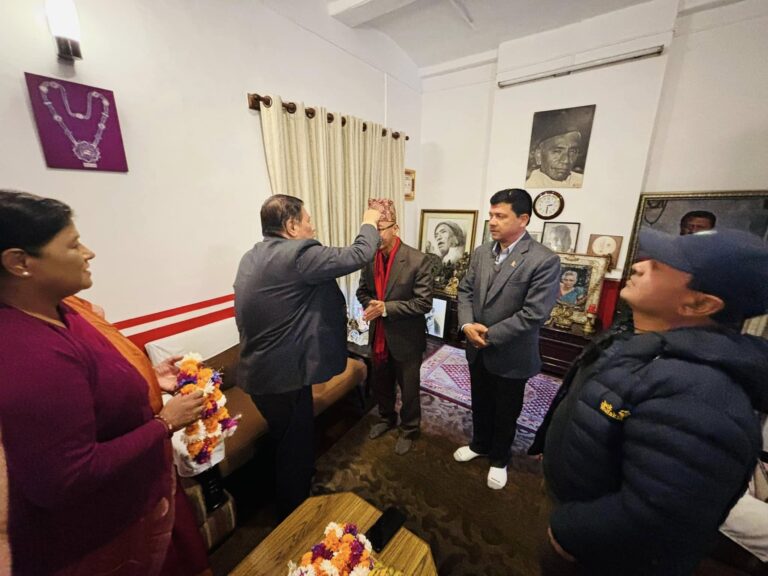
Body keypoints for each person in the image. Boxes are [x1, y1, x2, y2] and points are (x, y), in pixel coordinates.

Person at [530, 227, 768, 576]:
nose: (639, 266)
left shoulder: (701, 396)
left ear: (699, 304)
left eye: (658, 265)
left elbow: (654, 516)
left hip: (597, 553)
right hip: (575, 501)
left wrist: (567, 531)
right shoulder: (636, 339)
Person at [0, 190, 205, 575]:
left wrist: (151, 378)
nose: (89, 253)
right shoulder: (26, 352)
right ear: (20, 262)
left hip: (135, 503)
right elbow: (65, 478)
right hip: (92, 539)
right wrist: (165, 423)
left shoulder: (65, 310)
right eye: (73, 244)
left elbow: (95, 380)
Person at [234, 194, 380, 517]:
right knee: (295, 447)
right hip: (281, 377)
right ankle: (294, 514)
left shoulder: (251, 256)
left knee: (287, 438)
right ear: (291, 226)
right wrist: (369, 219)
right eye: (308, 221)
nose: (313, 228)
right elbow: (360, 253)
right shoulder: (298, 254)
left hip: (261, 372)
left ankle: (293, 484)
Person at [454, 188, 560, 490]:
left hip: (512, 353)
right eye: (491, 215)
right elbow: (465, 290)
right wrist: (466, 325)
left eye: (500, 216)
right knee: (480, 401)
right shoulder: (482, 252)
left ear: (523, 219)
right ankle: (479, 444)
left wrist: (488, 335)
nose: (492, 221)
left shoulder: (543, 260)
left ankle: (500, 459)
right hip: (477, 348)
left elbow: (534, 313)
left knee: (506, 411)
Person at [356, 198, 433, 455]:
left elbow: (423, 303)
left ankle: (410, 429)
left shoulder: (417, 260)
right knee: (382, 383)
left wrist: (386, 308)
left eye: (381, 228)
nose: (376, 235)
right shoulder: (369, 258)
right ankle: (386, 418)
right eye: (372, 229)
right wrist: (371, 305)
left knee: (409, 389)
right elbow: (362, 291)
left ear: (395, 228)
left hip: (406, 338)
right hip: (379, 335)